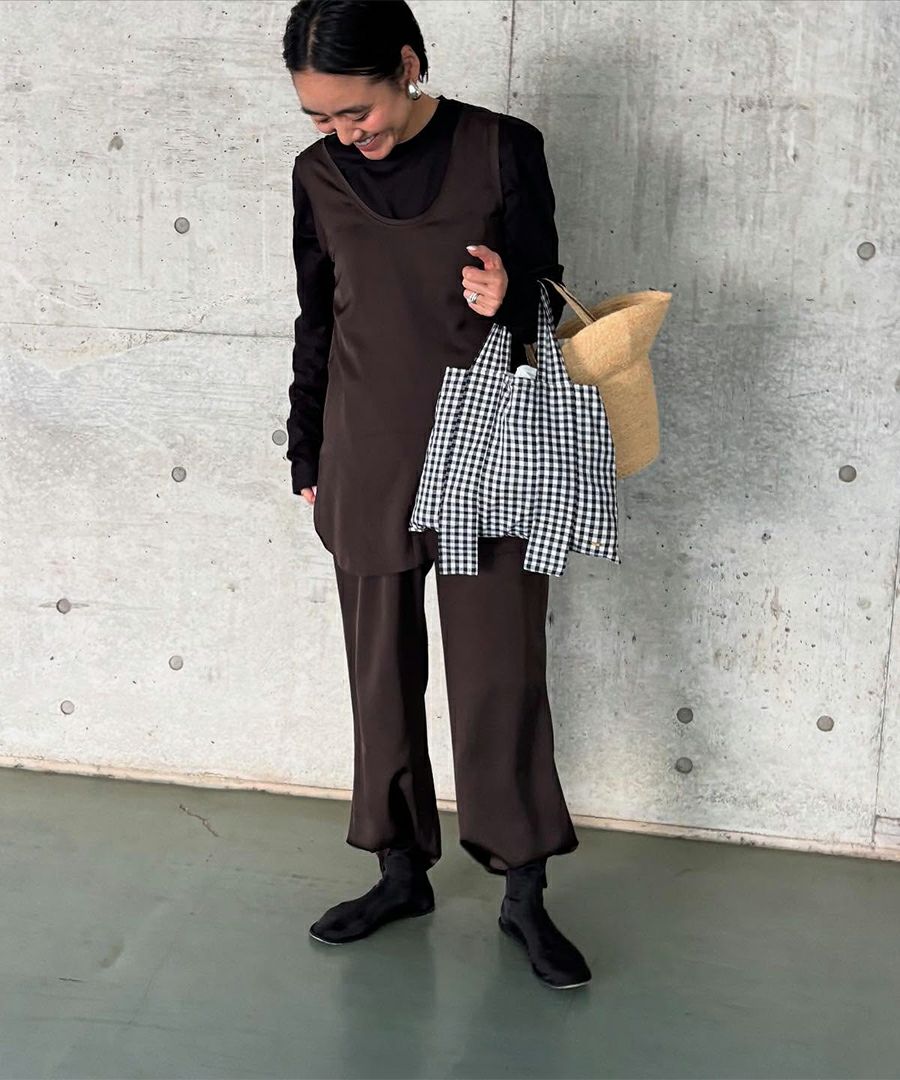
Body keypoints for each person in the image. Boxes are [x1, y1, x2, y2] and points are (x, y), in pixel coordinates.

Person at [282, 0, 591, 990]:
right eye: (321, 117)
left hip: (488, 446)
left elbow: (548, 292)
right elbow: (318, 318)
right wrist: (305, 446)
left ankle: (524, 892)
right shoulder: (318, 177)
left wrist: (513, 299)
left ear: (408, 64)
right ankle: (398, 871)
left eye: (357, 110)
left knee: (500, 672)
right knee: (379, 671)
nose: (345, 133)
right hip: (365, 447)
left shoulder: (502, 148)